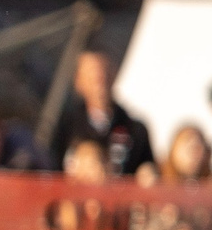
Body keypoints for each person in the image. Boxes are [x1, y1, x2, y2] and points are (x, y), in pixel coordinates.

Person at [50, 49, 155, 180]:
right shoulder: (65, 127)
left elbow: (148, 173)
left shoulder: (135, 130)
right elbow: (50, 173)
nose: (99, 83)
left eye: (104, 74)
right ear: (78, 81)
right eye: (91, 75)